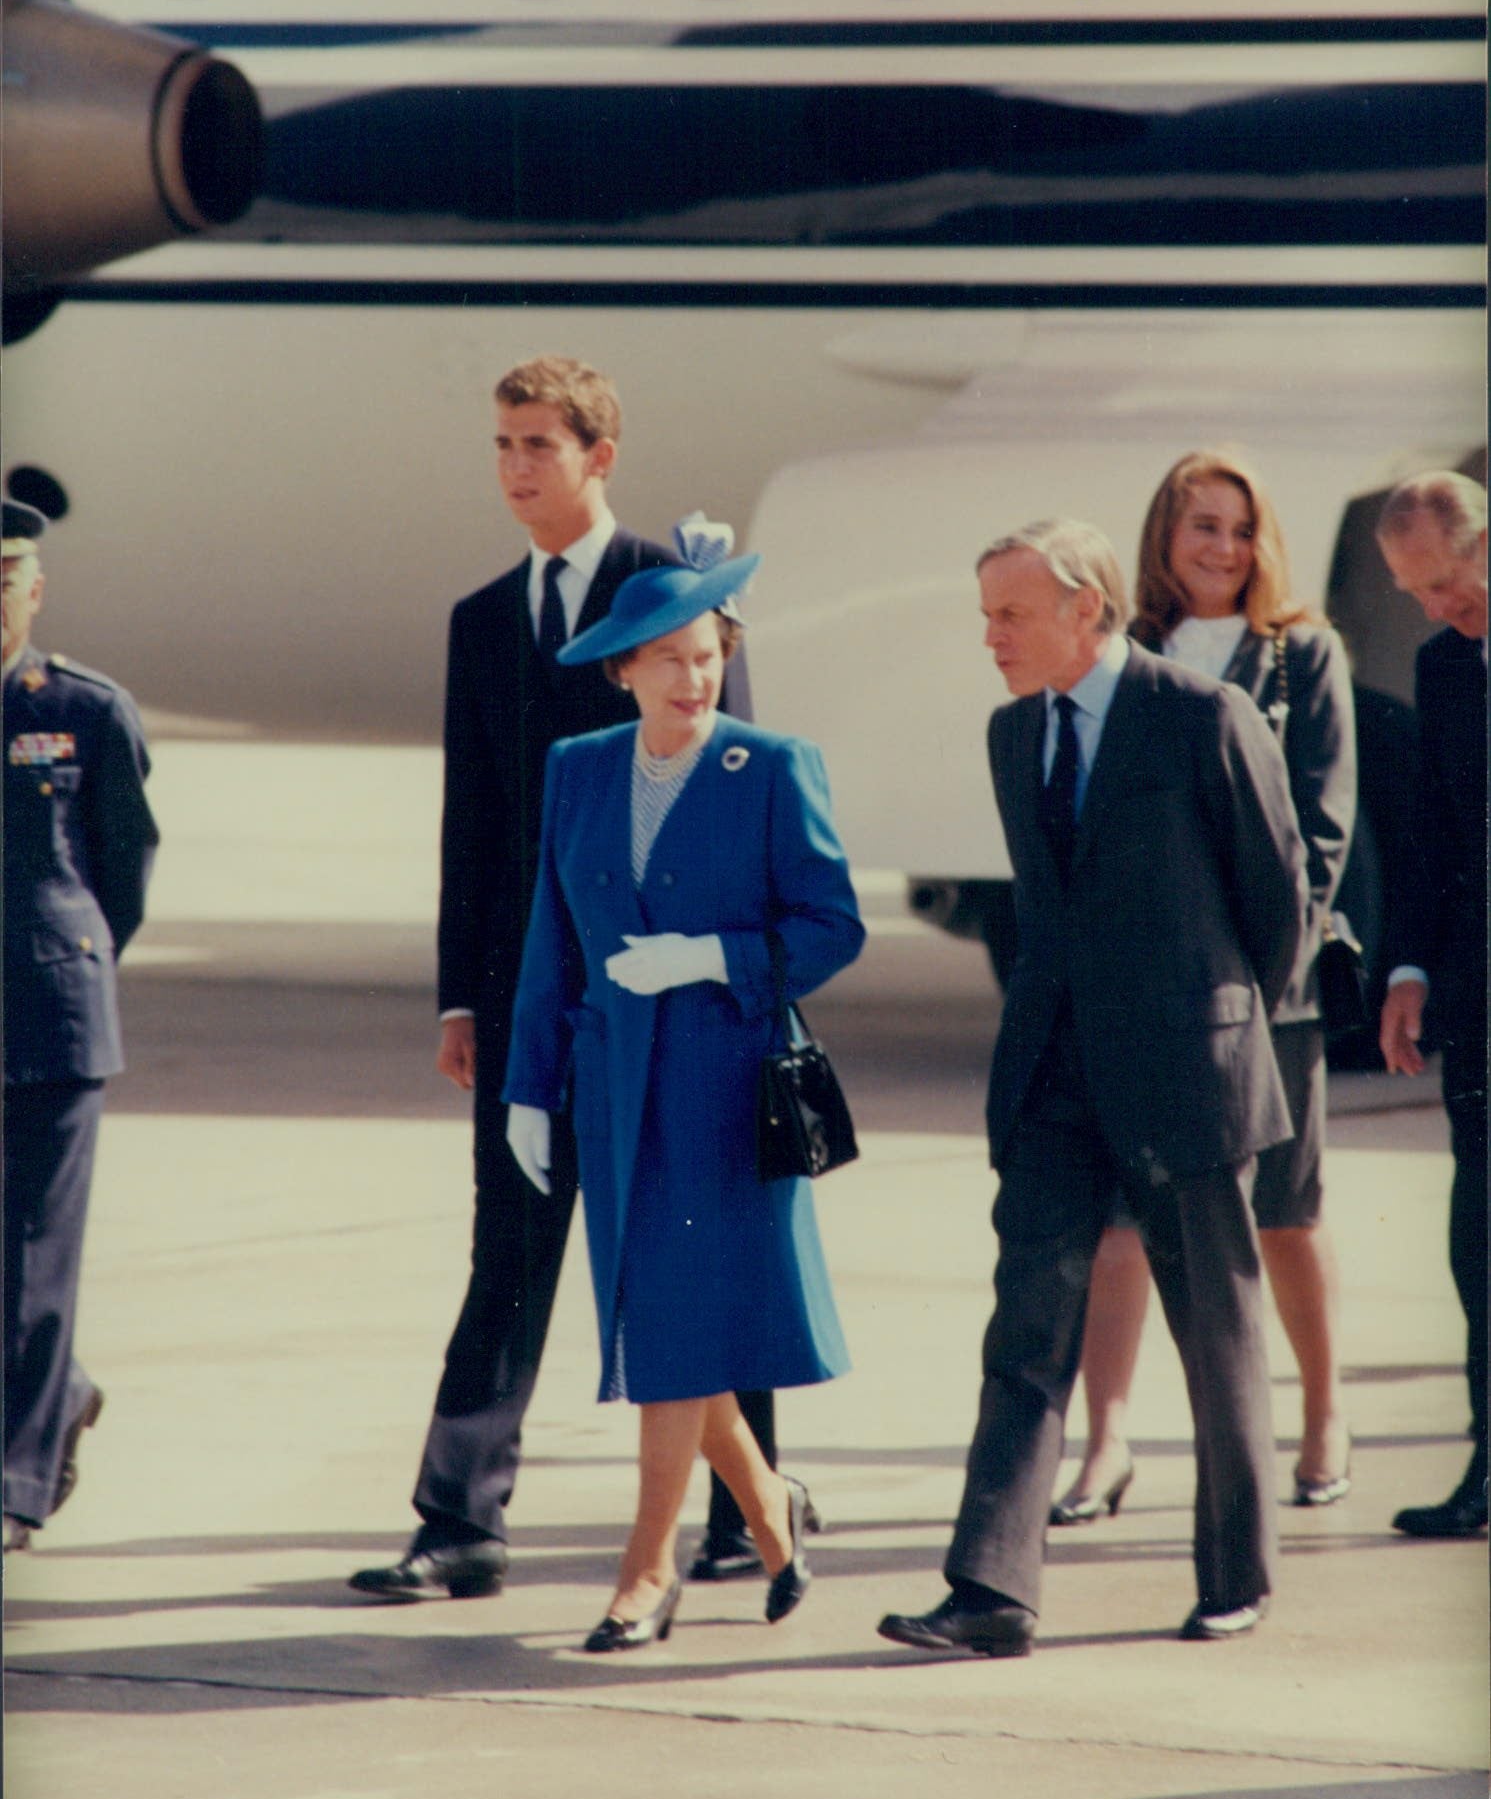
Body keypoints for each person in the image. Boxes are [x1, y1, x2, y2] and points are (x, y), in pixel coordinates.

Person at [350, 356, 780, 1603]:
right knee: (512, 1250)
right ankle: (460, 1522)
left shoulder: (673, 589)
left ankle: (742, 1515)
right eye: (502, 444)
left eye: (539, 443)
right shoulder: (481, 620)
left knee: (695, 1252)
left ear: (600, 457)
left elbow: (734, 788)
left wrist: (730, 989)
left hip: (675, 1000)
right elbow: (470, 823)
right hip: (530, 1002)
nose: (516, 466)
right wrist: (460, 999)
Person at [878, 518, 1306, 1658]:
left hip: (1188, 1078)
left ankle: (1235, 1576)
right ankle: (991, 1592)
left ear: (1086, 608)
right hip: (1055, 1081)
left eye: (1009, 614)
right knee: (1023, 1334)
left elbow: (1279, 908)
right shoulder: (1013, 734)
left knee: (1214, 1336)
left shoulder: (1200, 716)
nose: (990, 638)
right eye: (985, 615)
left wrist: (1209, 1027)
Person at [502, 549, 864, 1649]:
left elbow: (831, 926)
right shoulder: (580, 767)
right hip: (616, 1093)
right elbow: (549, 943)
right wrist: (528, 1088)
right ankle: (770, 1508)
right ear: (623, 671)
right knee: (668, 1320)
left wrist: (714, 955)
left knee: (674, 1324)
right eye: (668, 662)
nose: (692, 680)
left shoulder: (772, 766)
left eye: (707, 658)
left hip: (722, 1092)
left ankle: (646, 1568)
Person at [1052, 451, 1357, 1527]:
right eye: (1202, 528)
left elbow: (1321, 832)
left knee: (1282, 1214)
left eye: (1240, 528)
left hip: (1271, 995)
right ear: (1164, 541)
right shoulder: (1127, 655)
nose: (1223, 547)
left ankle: (1322, 1415)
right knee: (1125, 1227)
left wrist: (1264, 975)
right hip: (1150, 1000)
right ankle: (1108, 1442)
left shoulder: (1300, 656)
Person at [3, 497, 159, 1554]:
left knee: (30, 1260)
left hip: (50, 1016)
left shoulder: (84, 710)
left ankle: (12, 1487)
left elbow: (123, 872)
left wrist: (72, 963)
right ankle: (64, 1395)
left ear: (34, 590)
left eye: (4, 580)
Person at [1375, 471, 1487, 1540]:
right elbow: (1432, 843)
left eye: (1446, 584)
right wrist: (1408, 971)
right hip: (1480, 1002)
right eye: (1416, 592)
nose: (1436, 607)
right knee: (1481, 1243)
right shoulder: (1444, 667)